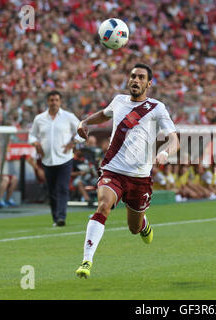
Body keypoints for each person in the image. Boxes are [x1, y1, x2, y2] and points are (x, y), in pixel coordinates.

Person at [75, 63, 179, 278]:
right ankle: (87, 261)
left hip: (140, 177)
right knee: (103, 206)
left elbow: (174, 139)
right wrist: (85, 122)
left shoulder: (156, 108)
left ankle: (143, 225)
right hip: (113, 171)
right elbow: (104, 115)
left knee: (134, 227)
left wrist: (165, 153)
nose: (136, 80)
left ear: (149, 83)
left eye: (141, 77)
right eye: (133, 76)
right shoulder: (119, 100)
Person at [28, 90, 85, 227]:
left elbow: (83, 130)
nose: (54, 102)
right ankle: (55, 217)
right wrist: (35, 143)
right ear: (47, 102)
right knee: (52, 190)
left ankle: (61, 217)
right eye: (51, 100)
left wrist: (73, 142)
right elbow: (32, 135)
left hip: (65, 159)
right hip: (47, 159)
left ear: (60, 102)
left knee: (63, 188)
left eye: (56, 100)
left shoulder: (68, 117)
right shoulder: (39, 118)